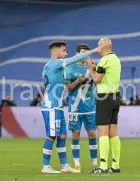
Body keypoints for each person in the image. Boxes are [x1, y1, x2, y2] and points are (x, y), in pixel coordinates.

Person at [40, 41, 103, 174]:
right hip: (51, 106)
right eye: (63, 50)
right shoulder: (54, 63)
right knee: (51, 136)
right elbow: (73, 59)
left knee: (62, 135)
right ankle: (45, 166)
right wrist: (93, 51)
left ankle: (64, 165)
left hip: (58, 106)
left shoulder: (50, 66)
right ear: (56, 52)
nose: (66, 53)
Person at [88, 38, 121, 173]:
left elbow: (96, 79)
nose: (98, 49)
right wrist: (96, 67)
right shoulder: (116, 59)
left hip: (104, 98)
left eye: (98, 46)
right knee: (113, 132)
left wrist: (91, 69)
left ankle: (102, 166)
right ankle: (115, 165)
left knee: (102, 131)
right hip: (115, 97)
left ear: (103, 46)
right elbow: (106, 74)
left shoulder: (104, 60)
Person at [64, 44, 97, 172]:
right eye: (83, 53)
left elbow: (98, 81)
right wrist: (78, 81)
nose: (85, 56)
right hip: (75, 107)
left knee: (92, 134)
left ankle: (94, 163)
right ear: (77, 53)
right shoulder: (70, 68)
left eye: (87, 53)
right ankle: (77, 163)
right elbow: (68, 88)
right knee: (76, 134)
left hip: (89, 106)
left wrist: (92, 69)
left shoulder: (92, 66)